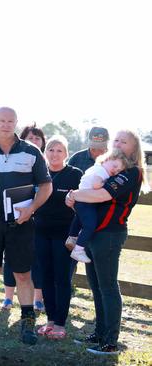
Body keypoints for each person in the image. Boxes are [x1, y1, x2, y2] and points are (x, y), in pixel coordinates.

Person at [0, 107, 52, 345]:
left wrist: (31, 209)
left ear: (16, 122)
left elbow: (46, 187)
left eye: (10, 121)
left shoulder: (31, 151)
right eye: (1, 120)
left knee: (23, 274)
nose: (6, 124)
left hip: (21, 221)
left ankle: (27, 324)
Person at [67, 129, 148, 355]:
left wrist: (74, 195)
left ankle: (110, 343)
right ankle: (99, 333)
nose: (119, 144)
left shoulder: (132, 172)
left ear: (134, 147)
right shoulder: (109, 165)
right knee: (96, 286)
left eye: (125, 141)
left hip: (109, 235)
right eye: (117, 140)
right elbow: (89, 191)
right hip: (94, 234)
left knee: (108, 288)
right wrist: (75, 196)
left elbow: (102, 195)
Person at [34, 135, 82, 340]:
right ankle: (51, 320)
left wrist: (76, 204)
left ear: (67, 154)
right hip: (40, 231)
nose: (54, 154)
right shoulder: (38, 174)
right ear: (46, 152)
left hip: (65, 234)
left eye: (59, 150)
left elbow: (86, 204)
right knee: (45, 276)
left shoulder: (75, 174)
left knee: (62, 278)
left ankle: (61, 323)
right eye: (51, 149)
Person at [2, 123, 47, 312]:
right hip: (17, 217)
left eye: (38, 138)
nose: (34, 141)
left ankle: (38, 298)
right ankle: (7, 298)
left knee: (36, 259)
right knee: (10, 258)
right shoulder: (16, 160)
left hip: (40, 219)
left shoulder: (45, 162)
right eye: (31, 138)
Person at [65, 150, 130, 263]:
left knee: (79, 219)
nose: (115, 171)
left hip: (81, 200)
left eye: (118, 170)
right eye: (114, 166)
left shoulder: (95, 168)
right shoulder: (101, 171)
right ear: (107, 159)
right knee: (90, 225)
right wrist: (106, 184)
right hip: (86, 201)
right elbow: (96, 185)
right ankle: (78, 250)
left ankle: (72, 237)